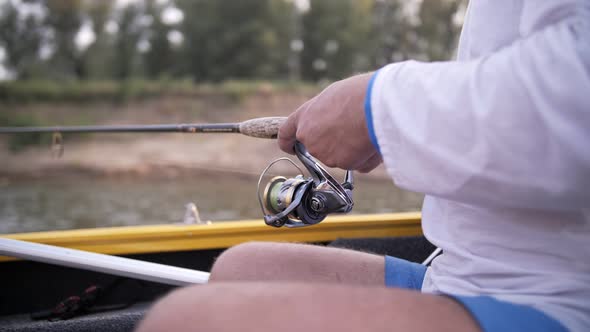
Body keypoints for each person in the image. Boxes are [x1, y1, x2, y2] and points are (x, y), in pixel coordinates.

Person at [137, 1, 589, 331]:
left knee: (185, 321)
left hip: (556, 299)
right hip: (467, 272)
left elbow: (574, 95)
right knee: (240, 268)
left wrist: (376, 106)